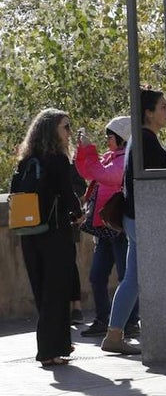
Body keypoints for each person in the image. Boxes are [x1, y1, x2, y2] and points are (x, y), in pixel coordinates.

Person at [101, 88, 166, 355]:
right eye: (162, 107)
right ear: (148, 112)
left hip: (134, 217)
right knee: (136, 279)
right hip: (144, 219)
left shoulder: (138, 140)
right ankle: (115, 334)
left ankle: (114, 334)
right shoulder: (146, 140)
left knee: (132, 278)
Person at [11, 109, 83, 366]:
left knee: (42, 290)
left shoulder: (26, 160)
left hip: (29, 233)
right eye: (65, 127)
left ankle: (58, 345)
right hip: (54, 233)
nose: (69, 132)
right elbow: (67, 194)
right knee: (58, 289)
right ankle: (49, 351)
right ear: (52, 130)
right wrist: (78, 213)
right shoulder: (57, 160)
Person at [74, 115, 139, 339]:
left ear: (122, 138)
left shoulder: (124, 160)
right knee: (97, 275)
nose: (107, 141)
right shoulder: (111, 157)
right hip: (103, 228)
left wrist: (90, 151)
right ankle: (104, 318)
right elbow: (87, 171)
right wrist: (83, 149)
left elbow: (104, 175)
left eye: (110, 137)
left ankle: (130, 321)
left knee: (126, 276)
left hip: (119, 227)